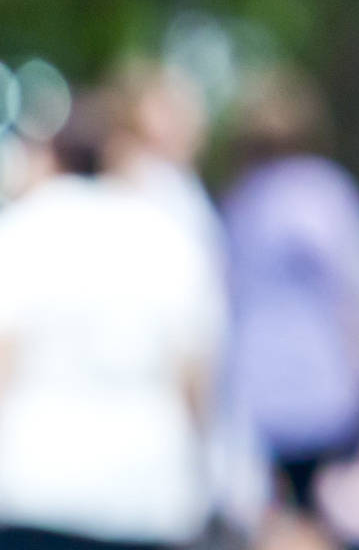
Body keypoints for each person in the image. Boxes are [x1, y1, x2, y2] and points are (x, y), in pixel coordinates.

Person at [0, 91, 226, 549]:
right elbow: (196, 380)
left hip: (38, 481)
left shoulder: (24, 229)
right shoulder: (168, 239)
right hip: (145, 490)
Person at [222, 67, 359, 519]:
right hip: (322, 392)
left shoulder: (242, 199)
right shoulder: (325, 192)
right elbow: (354, 296)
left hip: (256, 394)